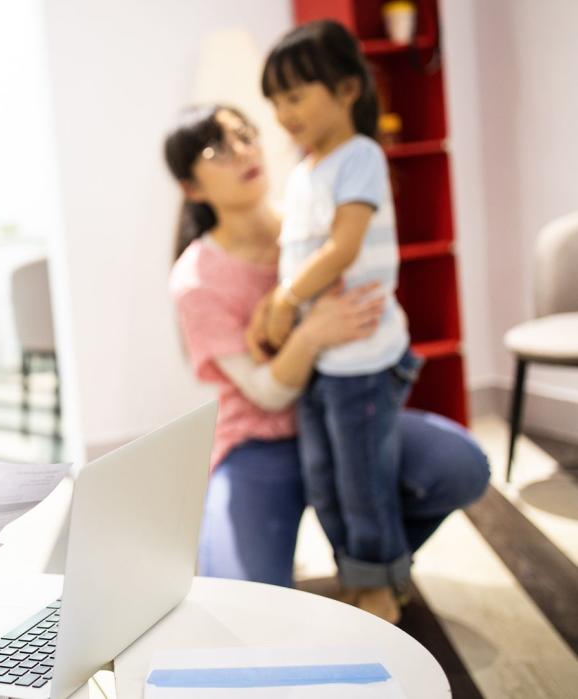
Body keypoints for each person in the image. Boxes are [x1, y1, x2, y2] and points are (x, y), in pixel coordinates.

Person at [164, 104, 489, 605]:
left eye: (246, 135)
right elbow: (266, 395)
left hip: (350, 416)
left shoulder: (317, 222)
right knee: (245, 600)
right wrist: (310, 333)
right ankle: (363, 568)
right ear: (191, 186)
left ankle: (371, 570)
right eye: (218, 149)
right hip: (261, 442)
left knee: (461, 465)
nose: (244, 152)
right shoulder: (196, 278)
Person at [255, 19, 416, 622]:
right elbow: (299, 250)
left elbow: (343, 247)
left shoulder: (361, 156)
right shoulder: (303, 172)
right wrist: (275, 304)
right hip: (323, 360)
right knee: (323, 480)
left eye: (295, 96)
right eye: (275, 101)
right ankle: (357, 572)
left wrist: (285, 301)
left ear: (347, 89)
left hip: (364, 360)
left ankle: (380, 585)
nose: (282, 112)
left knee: (363, 482)